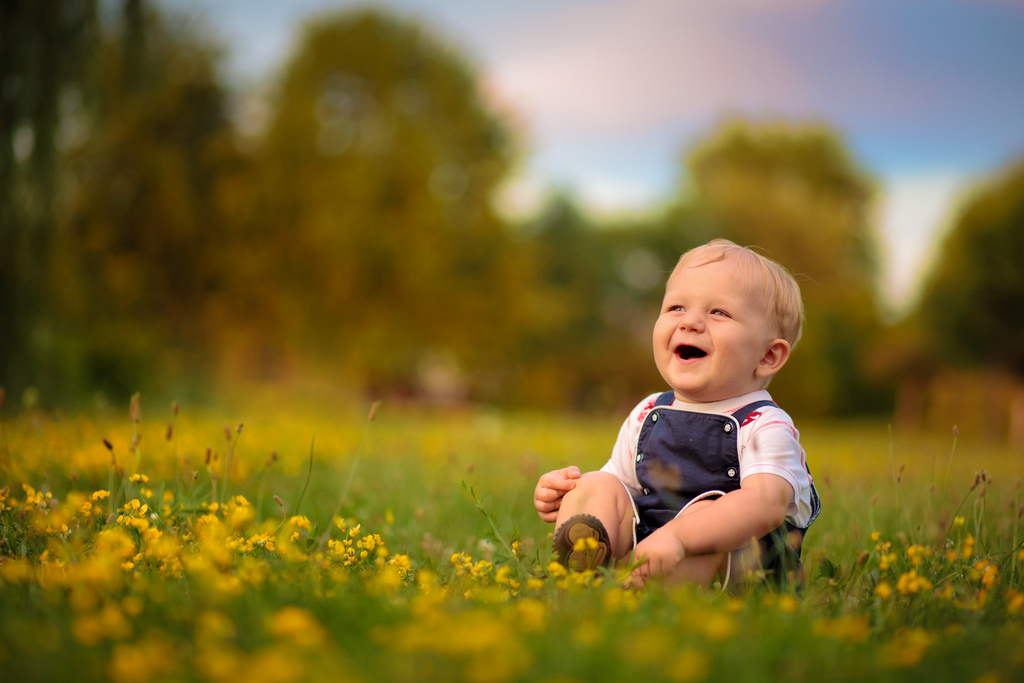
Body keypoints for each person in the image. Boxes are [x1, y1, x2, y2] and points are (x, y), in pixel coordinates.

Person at [533, 238, 820, 588]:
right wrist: (568, 494)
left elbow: (766, 505)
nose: (691, 322)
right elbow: (624, 489)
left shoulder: (764, 425)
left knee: (711, 509)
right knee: (598, 483)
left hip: (739, 570)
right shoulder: (648, 412)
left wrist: (680, 538)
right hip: (652, 549)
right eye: (676, 308)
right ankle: (585, 563)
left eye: (718, 313)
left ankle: (632, 590)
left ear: (767, 357)